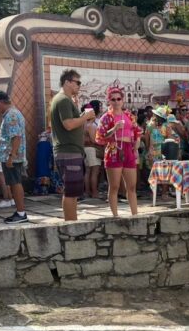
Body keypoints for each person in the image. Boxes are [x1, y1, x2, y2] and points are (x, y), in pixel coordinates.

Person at [50, 69, 94, 221]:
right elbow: (68, 124)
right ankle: (70, 226)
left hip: (70, 151)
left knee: (73, 192)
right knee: (71, 193)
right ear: (67, 82)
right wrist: (86, 116)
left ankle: (71, 223)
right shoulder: (63, 100)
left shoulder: (64, 100)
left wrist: (82, 117)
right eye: (77, 82)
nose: (79, 86)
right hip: (68, 151)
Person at [96, 86, 142, 217]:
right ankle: (115, 216)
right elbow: (100, 137)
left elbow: (137, 131)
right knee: (115, 186)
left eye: (118, 99)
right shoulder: (106, 117)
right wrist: (114, 128)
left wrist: (136, 145)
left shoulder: (128, 115)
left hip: (129, 149)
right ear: (109, 101)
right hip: (114, 149)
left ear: (122, 100)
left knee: (132, 186)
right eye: (113, 99)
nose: (116, 101)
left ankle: (135, 214)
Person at [0, 91, 28, 224]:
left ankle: (21, 213)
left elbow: (16, 137)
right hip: (12, 156)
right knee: (14, 183)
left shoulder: (10, 116)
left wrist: (11, 157)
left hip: (12, 157)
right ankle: (20, 211)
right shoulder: (14, 113)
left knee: (15, 183)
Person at [83, 101, 103, 199]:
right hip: (92, 149)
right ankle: (94, 192)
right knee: (95, 171)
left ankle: (87, 191)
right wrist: (101, 143)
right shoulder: (90, 125)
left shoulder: (84, 124)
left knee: (88, 171)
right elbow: (93, 140)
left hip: (86, 149)